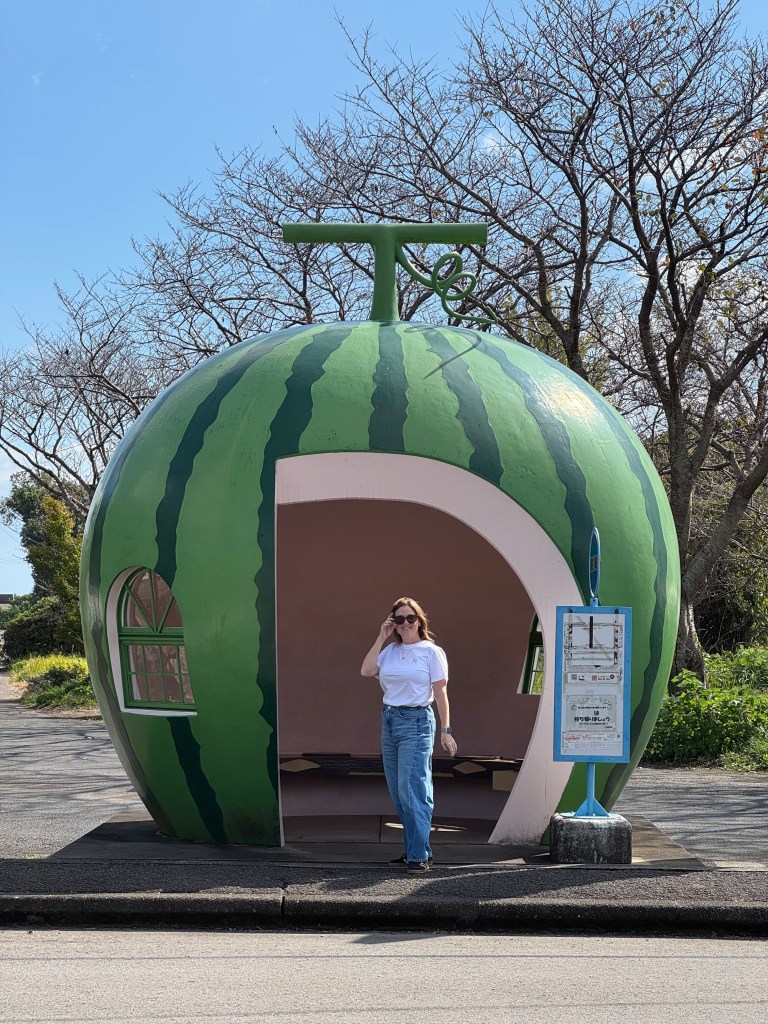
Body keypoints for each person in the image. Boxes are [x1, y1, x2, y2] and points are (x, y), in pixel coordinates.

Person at [360, 596, 457, 873]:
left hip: (416, 721)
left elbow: (440, 693)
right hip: (389, 719)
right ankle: (417, 849)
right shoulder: (389, 651)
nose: (405, 624)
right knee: (398, 790)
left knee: (413, 787)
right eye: (399, 619)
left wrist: (446, 730)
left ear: (419, 620)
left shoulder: (431, 652)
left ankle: (418, 856)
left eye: (410, 618)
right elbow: (366, 670)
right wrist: (381, 637)